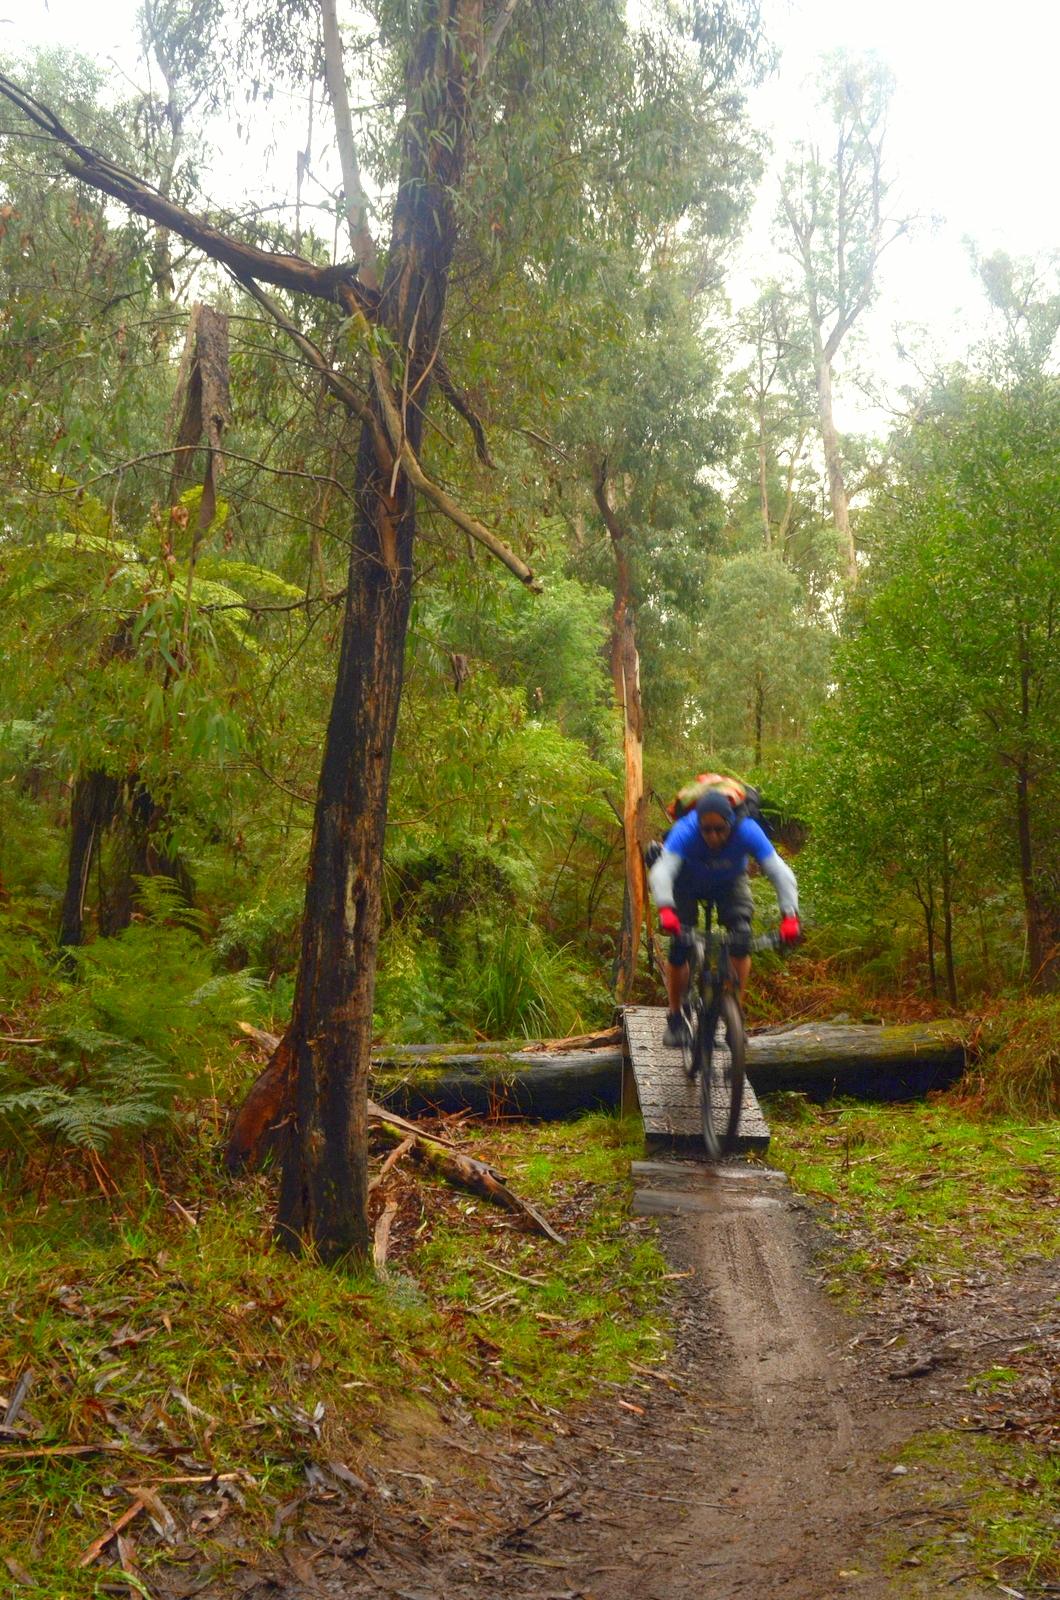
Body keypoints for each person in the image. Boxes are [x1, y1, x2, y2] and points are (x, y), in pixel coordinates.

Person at [648, 787, 801, 1047]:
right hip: (686, 881)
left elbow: (778, 870)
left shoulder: (747, 830)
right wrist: (665, 909)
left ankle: (734, 1014)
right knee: (680, 945)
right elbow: (663, 871)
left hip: (730, 882)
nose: (713, 836)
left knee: (741, 938)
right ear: (698, 825)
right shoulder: (685, 830)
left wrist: (790, 916)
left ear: (731, 822)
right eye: (706, 830)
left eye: (720, 829)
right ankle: (675, 1018)